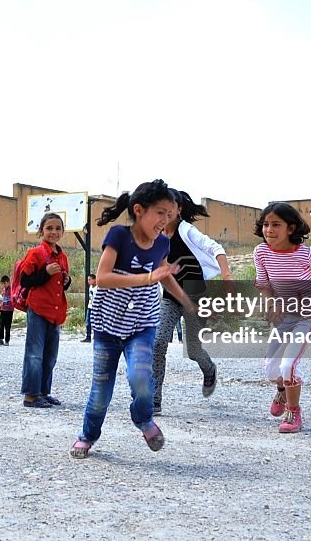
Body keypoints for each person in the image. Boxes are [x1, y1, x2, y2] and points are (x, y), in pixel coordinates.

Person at [71, 180, 193, 459]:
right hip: (107, 325)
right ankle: (87, 435)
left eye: (170, 214)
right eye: (160, 212)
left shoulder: (162, 242)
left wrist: (188, 302)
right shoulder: (118, 236)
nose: (165, 220)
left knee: (140, 377)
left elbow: (165, 274)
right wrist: (148, 278)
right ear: (139, 210)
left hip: (142, 324)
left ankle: (143, 419)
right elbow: (102, 277)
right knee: (101, 390)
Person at [254, 202, 311, 434]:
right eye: (265, 224)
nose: (269, 230)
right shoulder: (261, 252)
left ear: (291, 228)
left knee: (288, 365)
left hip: (306, 315)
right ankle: (283, 391)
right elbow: (263, 284)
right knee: (271, 370)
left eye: (276, 225)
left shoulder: (305, 253)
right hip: (283, 317)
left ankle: (293, 412)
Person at [152, 189, 232, 416]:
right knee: (158, 343)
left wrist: (227, 278)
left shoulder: (186, 231)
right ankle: (154, 400)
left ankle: (209, 369)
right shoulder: (157, 236)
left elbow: (216, 249)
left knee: (194, 350)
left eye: (171, 207)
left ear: (180, 210)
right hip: (170, 297)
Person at [20, 213, 71, 409]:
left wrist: (67, 281)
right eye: (49, 228)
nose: (54, 232)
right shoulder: (35, 253)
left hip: (56, 311)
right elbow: (26, 281)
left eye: (58, 228)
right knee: (34, 354)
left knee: (50, 355)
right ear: (41, 230)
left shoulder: (63, 255)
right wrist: (45, 273)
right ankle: (31, 396)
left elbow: (60, 284)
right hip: (39, 309)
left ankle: (43, 392)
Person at [0, 276, 13, 346]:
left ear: (8, 282)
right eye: (3, 284)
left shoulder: (12, 290)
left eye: (4, 283)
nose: (4, 285)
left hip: (9, 310)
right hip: (3, 310)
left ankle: (7, 340)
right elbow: (4, 300)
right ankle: (1, 339)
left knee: (7, 326)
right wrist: (0, 306)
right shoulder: (4, 290)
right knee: (1, 325)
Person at [81, 274, 97, 342]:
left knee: (96, 322)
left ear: (94, 279)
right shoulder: (90, 287)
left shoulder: (98, 288)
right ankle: (88, 336)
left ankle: (96, 336)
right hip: (90, 306)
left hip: (95, 307)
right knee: (88, 322)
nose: (88, 281)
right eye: (88, 280)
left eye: (90, 279)